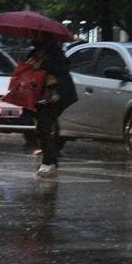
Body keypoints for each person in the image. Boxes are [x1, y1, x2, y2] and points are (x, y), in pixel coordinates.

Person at [26, 38, 77, 177]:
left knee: (44, 127)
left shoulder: (57, 57)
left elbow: (60, 72)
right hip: (41, 97)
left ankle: (49, 163)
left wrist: (42, 66)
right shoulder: (34, 55)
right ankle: (51, 161)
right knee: (43, 128)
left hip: (58, 96)